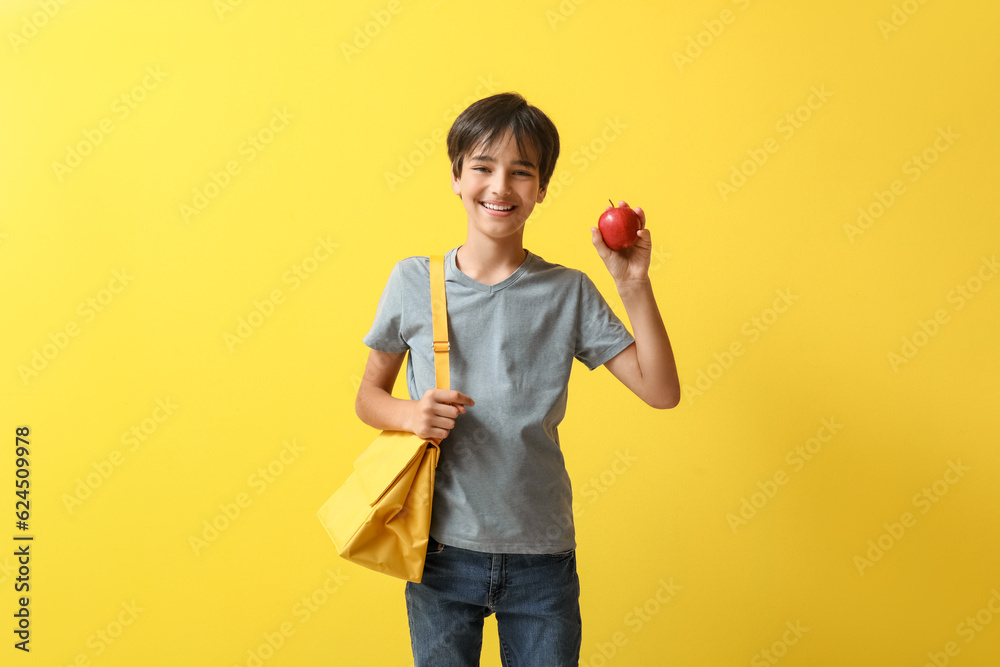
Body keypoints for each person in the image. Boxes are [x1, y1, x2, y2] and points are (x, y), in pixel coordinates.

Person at [355, 92, 680, 666]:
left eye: (521, 172)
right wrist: (412, 414)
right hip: (438, 552)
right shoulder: (412, 282)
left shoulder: (568, 291)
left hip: (542, 558)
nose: (500, 186)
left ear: (542, 188)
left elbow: (661, 391)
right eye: (482, 166)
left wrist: (632, 284)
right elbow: (368, 397)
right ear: (456, 177)